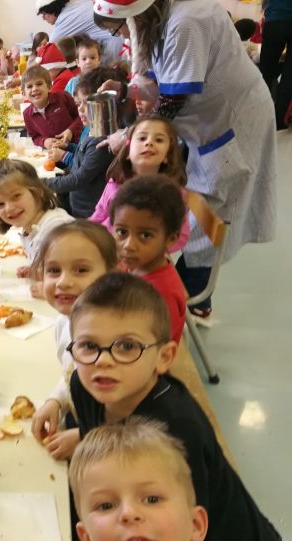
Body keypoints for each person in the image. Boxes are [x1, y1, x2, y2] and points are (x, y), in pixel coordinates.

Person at [62, 272, 286, 541]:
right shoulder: (86, 387)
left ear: (164, 357)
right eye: (89, 346)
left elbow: (186, 535)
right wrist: (81, 435)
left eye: (127, 347)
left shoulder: (176, 431)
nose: (104, 361)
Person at [92, 0, 277, 319]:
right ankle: (182, 295)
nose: (124, 34)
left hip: (230, 122)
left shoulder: (187, 21)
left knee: (210, 211)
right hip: (203, 123)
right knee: (195, 210)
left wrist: (129, 136)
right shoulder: (163, 19)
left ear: (138, 13)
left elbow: (172, 99)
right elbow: (160, 81)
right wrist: (124, 91)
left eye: (122, 26)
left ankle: (192, 303)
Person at [69, 418, 292, 541]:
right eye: (106, 505)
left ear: (195, 524)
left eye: (152, 499)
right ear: (88, 539)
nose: (128, 513)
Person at [30, 221, 119, 461]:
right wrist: (57, 400)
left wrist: (86, 436)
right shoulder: (65, 320)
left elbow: (136, 419)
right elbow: (72, 372)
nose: (63, 282)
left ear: (111, 275)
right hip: (83, 421)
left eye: (81, 270)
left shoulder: (116, 343)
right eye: (54, 270)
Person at [89, 116, 190, 253]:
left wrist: (154, 252)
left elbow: (180, 235)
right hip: (108, 251)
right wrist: (88, 238)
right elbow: (99, 216)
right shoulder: (115, 183)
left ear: (167, 155)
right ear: (128, 152)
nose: (149, 143)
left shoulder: (174, 194)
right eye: (142, 138)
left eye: (159, 140)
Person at [110, 175, 186, 343]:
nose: (129, 245)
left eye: (145, 235)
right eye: (122, 232)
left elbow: (152, 350)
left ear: (170, 239)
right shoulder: (139, 263)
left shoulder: (161, 295)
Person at [0, 159, 74, 285]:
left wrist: (48, 290)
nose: (9, 208)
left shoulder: (56, 229)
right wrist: (38, 271)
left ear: (38, 191)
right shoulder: (31, 225)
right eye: (0, 204)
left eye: (16, 196)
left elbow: (76, 276)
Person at [45, 69, 115, 217]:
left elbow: (79, 179)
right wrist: (69, 146)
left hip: (90, 214)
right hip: (78, 206)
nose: (81, 110)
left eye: (87, 104)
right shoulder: (92, 130)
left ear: (103, 104)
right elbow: (84, 152)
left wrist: (41, 184)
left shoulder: (101, 141)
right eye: (78, 104)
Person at [36, 0, 124, 64]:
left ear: (52, 9)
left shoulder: (66, 18)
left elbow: (47, 51)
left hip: (114, 47)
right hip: (119, 38)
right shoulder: (76, 4)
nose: (43, 18)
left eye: (44, 14)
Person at [22, 64, 84, 149]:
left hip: (76, 148)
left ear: (49, 86)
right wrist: (44, 142)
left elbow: (81, 116)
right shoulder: (27, 114)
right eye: (29, 86)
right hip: (52, 154)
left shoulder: (63, 97)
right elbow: (35, 137)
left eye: (39, 84)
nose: (34, 89)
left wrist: (71, 131)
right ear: (24, 93)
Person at [259, 0, 292, 130]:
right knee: (289, 78)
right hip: (277, 16)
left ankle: (260, 115)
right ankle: (279, 122)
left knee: (265, 73)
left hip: (276, 18)